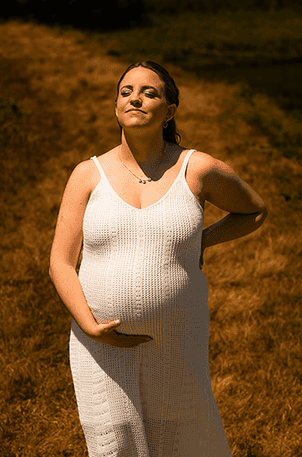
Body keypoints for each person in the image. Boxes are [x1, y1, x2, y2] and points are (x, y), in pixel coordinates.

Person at [49, 61, 267, 456]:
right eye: (126, 91)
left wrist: (203, 241)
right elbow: (61, 262)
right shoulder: (87, 174)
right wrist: (90, 325)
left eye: (149, 92)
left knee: (183, 441)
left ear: (169, 110)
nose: (135, 98)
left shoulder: (196, 169)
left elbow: (253, 210)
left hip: (177, 340)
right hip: (101, 347)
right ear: (117, 105)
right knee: (116, 444)